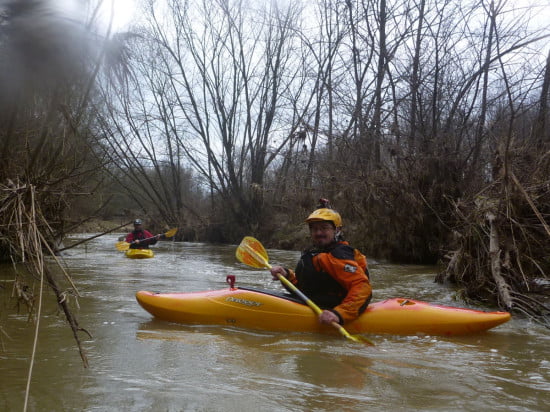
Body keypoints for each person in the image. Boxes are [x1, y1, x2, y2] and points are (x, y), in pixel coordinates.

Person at [270, 199, 372, 325]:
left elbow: (362, 288)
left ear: (337, 230)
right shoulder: (314, 253)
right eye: (315, 229)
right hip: (316, 305)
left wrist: (339, 314)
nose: (318, 233)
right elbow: (306, 289)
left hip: (336, 312)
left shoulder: (339, 254)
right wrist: (286, 275)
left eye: (324, 228)